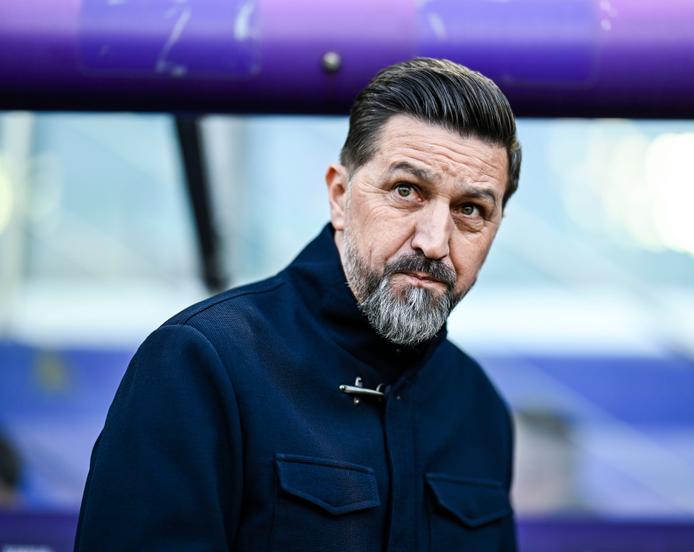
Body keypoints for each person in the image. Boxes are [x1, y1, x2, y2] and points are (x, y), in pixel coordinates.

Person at [75, 57, 522, 551]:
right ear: (339, 196)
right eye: (406, 191)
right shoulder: (203, 362)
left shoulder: (480, 409)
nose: (434, 242)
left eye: (471, 209)